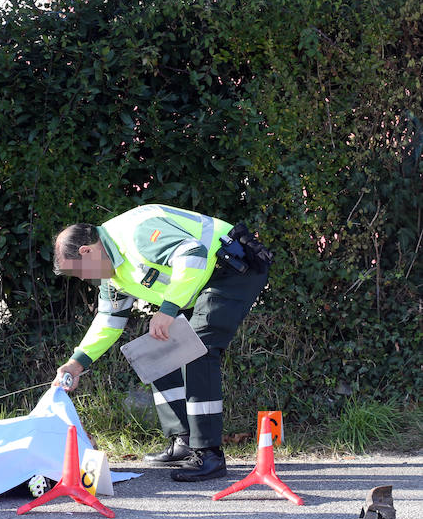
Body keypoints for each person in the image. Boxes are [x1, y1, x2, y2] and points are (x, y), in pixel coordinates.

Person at [52, 204, 272, 481]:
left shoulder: (134, 235)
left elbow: (193, 254)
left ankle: (209, 455)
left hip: (231, 269)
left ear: (86, 251)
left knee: (198, 352)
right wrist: (76, 363)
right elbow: (108, 321)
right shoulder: (111, 274)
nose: (84, 279)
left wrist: (167, 310)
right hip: (197, 287)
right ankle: (184, 442)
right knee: (155, 349)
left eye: (79, 272)